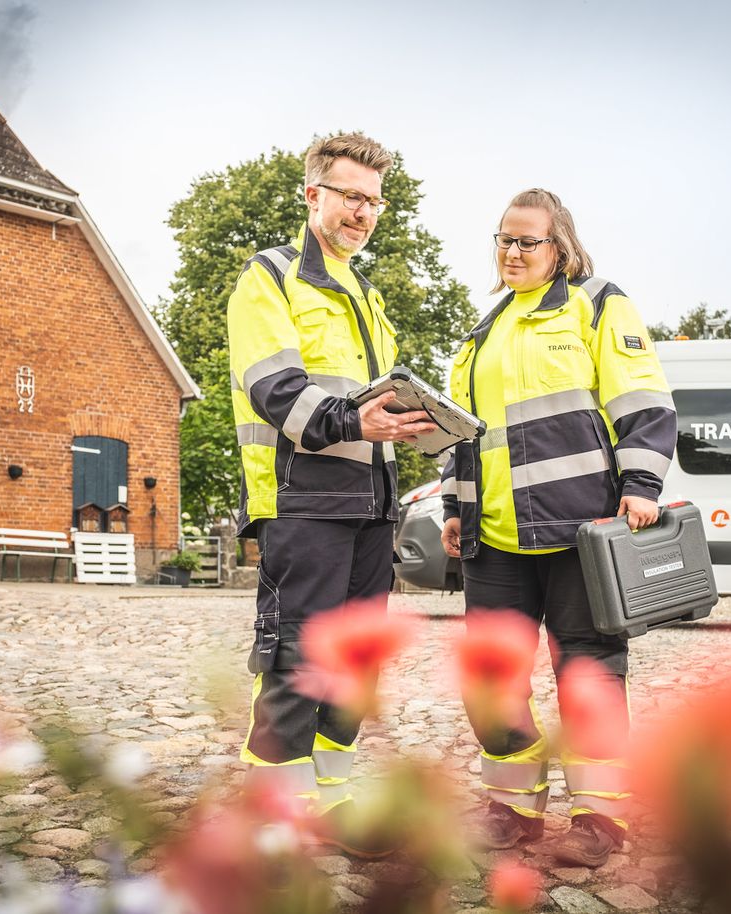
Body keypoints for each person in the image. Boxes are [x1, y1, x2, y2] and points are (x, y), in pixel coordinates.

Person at [440, 188, 676, 867]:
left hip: (583, 529)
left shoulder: (598, 305)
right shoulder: (481, 333)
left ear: (559, 247)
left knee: (589, 676)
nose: (512, 252)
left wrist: (641, 486)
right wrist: (457, 511)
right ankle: (513, 809)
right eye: (504, 240)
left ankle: (600, 818)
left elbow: (642, 398)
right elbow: (467, 438)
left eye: (527, 241)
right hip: (498, 539)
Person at [226, 132, 435, 855]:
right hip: (304, 502)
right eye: (352, 196)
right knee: (294, 657)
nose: (364, 213)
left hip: (372, 504)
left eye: (374, 202)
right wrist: (357, 419)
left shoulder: (367, 295)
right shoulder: (270, 277)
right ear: (312, 194)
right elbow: (273, 388)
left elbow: (369, 399)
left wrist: (411, 422)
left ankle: (333, 801)